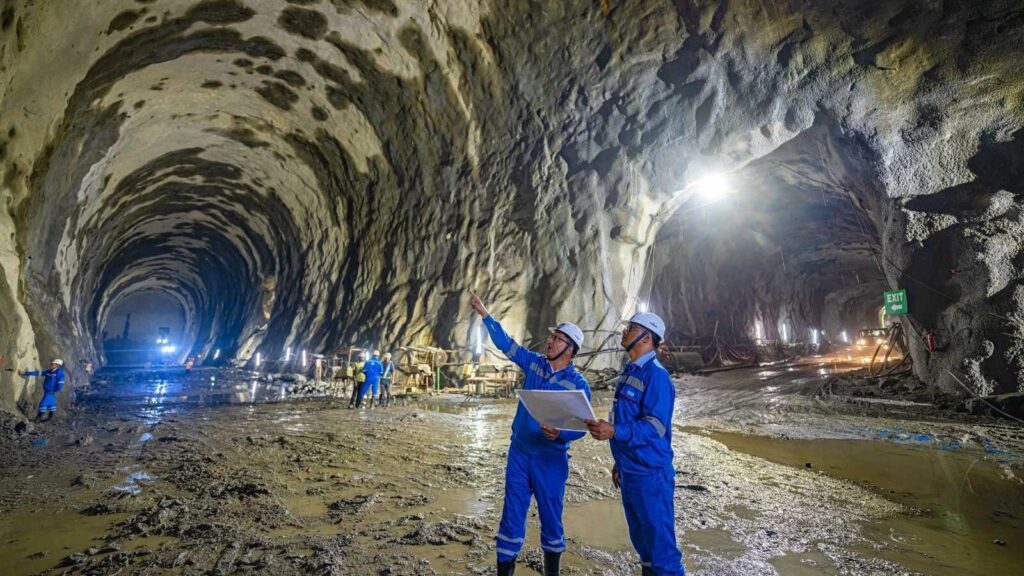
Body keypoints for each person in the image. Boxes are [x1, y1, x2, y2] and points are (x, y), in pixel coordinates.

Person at [469, 291, 590, 576]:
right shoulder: (534, 363)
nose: (550, 340)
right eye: (552, 337)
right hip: (520, 454)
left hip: (550, 460)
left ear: (570, 349)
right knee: (511, 517)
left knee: (550, 520)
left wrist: (560, 433)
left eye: (557, 338)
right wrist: (486, 316)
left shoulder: (577, 384)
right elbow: (507, 345)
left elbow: (582, 426)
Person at [585, 312, 685, 576]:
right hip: (631, 472)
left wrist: (615, 431)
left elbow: (655, 426)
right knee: (644, 546)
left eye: (632, 328)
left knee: (662, 552)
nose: (625, 331)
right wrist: (620, 462)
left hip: (651, 475)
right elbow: (628, 418)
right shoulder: (629, 372)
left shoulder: (656, 376)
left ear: (647, 337)